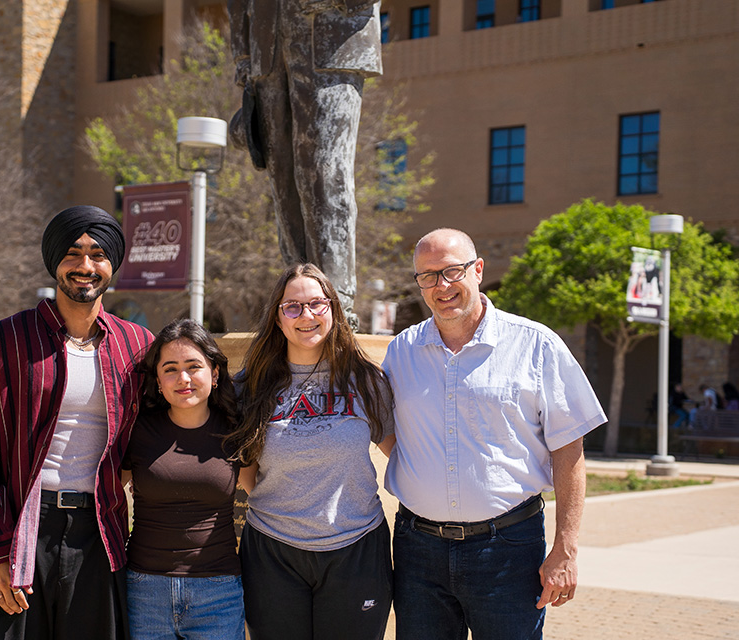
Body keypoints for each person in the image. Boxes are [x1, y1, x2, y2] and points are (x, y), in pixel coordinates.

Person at [383, 228, 607, 640]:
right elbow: (387, 430)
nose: (441, 286)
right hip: (418, 551)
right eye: (428, 276)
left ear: (478, 270)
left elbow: (569, 450)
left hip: (509, 550)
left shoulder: (536, 345)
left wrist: (565, 549)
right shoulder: (400, 351)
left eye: (452, 271)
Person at [0, 205, 154, 640]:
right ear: (54, 263)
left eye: (98, 254)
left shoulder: (137, 346)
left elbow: (154, 434)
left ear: (113, 265)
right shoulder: (5, 340)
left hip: (99, 532)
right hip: (22, 527)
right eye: (72, 253)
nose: (85, 266)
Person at [228, 263, 396, 640]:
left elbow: (401, 454)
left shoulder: (366, 380)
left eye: (317, 304)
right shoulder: (249, 387)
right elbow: (246, 472)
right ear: (278, 318)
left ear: (333, 310)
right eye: (292, 307)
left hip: (357, 547)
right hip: (273, 551)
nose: (306, 315)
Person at [227, 0, 382, 328]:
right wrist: (244, 59)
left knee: (325, 172)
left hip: (332, 37)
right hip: (266, 51)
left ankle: (336, 301)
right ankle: (297, 301)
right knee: (283, 181)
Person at [122, 319, 244, 640]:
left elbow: (263, 491)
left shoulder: (237, 430)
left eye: (194, 366)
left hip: (218, 591)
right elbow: (105, 494)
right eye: (171, 369)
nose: (183, 378)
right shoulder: (137, 430)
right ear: (158, 380)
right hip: (144, 590)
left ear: (214, 374)